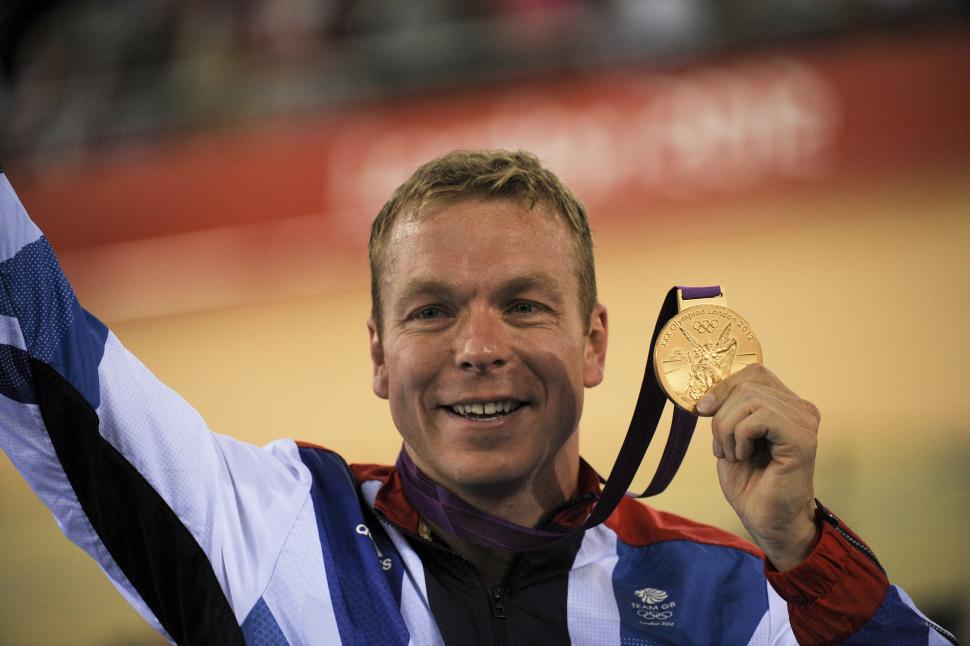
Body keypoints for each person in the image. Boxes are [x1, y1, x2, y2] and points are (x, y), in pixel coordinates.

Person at [0, 152, 956, 645]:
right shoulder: (272, 533)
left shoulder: (735, 599)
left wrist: (807, 554)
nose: (480, 348)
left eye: (524, 304)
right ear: (378, 356)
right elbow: (38, 340)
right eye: (431, 311)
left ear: (594, 345)